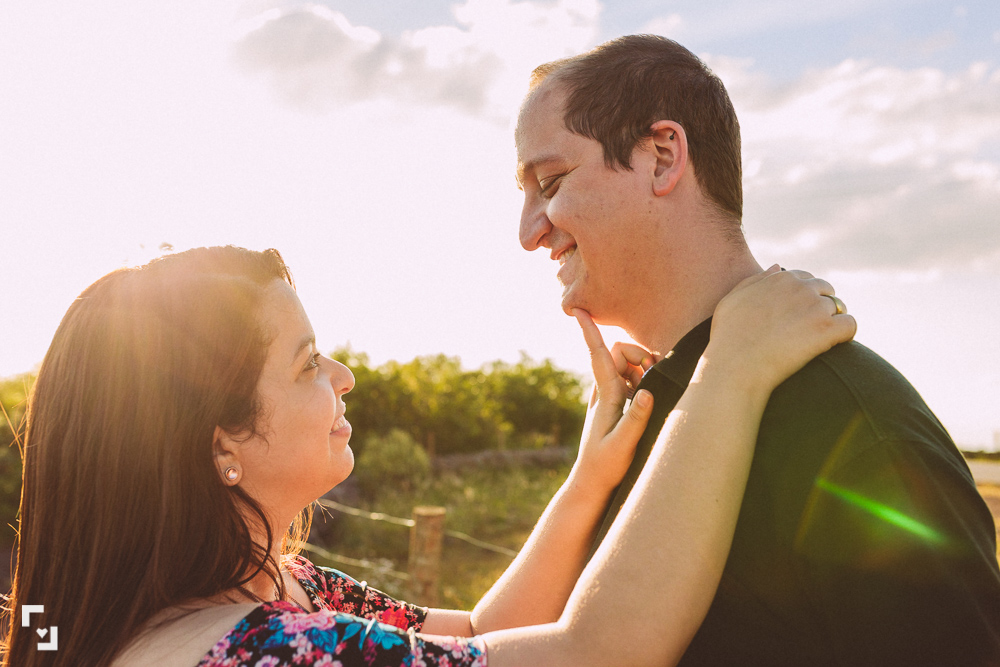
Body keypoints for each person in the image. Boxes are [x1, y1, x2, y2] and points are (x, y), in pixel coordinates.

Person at [1, 245, 851, 667]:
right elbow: (598, 650)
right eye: (306, 363)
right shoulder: (264, 648)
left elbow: (482, 632)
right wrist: (729, 373)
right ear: (220, 442)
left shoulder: (268, 591)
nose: (345, 375)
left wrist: (591, 474)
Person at [515, 34, 1000, 666]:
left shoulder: (848, 423)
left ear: (663, 157)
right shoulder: (634, 423)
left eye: (550, 181)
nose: (529, 232)